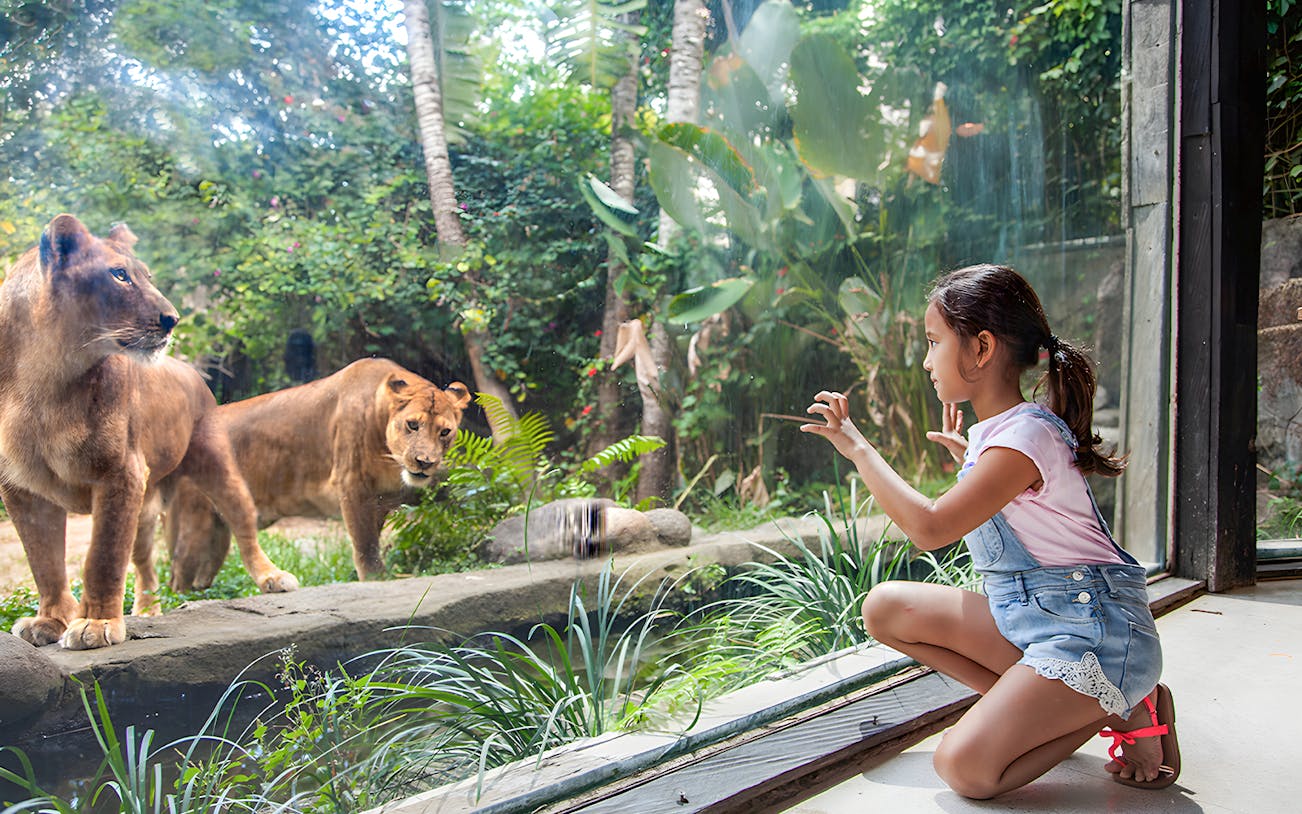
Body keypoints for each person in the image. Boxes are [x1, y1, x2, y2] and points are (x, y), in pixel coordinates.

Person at [801, 263, 1180, 799]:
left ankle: (1122, 708)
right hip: (1032, 622)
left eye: (933, 342)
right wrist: (970, 463)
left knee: (966, 769)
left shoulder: (1023, 436)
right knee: (884, 608)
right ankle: (1077, 707)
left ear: (981, 349)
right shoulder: (999, 436)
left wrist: (859, 449)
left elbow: (931, 529)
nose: (926, 361)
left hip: (1097, 634)